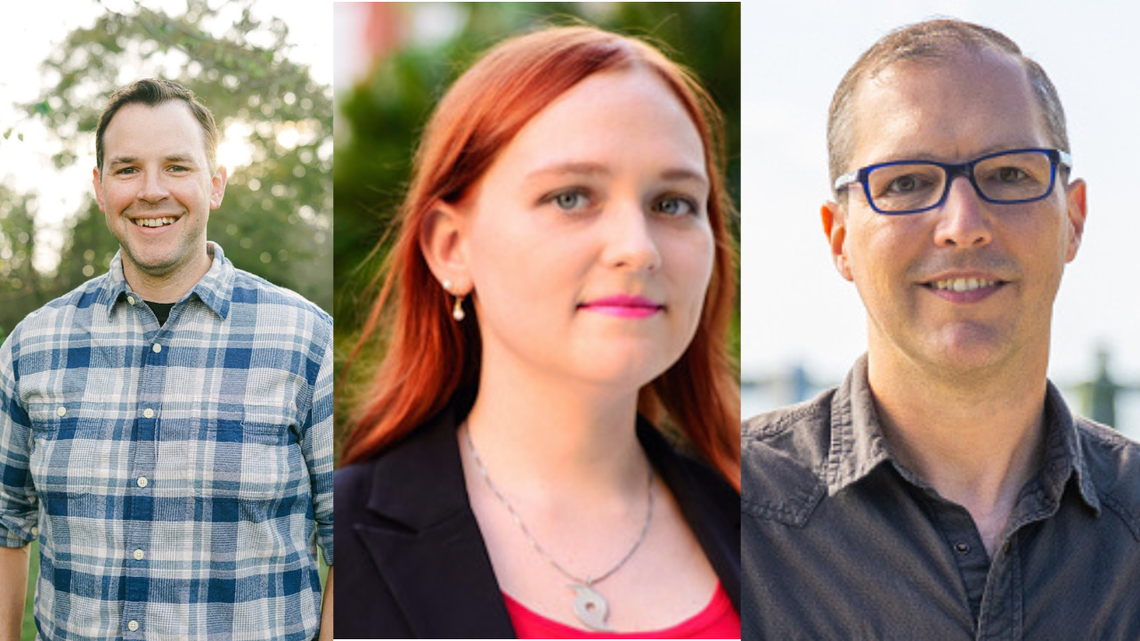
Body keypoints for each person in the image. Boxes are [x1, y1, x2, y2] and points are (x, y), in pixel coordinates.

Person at [335, 25, 741, 639]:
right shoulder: (322, 545)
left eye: (673, 203)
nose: (638, 248)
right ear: (451, 248)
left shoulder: (775, 532)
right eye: (572, 197)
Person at [742, 18, 1140, 640]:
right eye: (906, 183)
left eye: (1010, 173)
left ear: (1075, 220)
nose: (963, 224)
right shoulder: (721, 515)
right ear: (839, 239)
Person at [0, 79, 334, 640]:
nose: (152, 191)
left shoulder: (308, 344)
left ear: (216, 184)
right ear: (100, 188)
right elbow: (6, 526)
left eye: (178, 167)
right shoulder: (32, 347)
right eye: (127, 169)